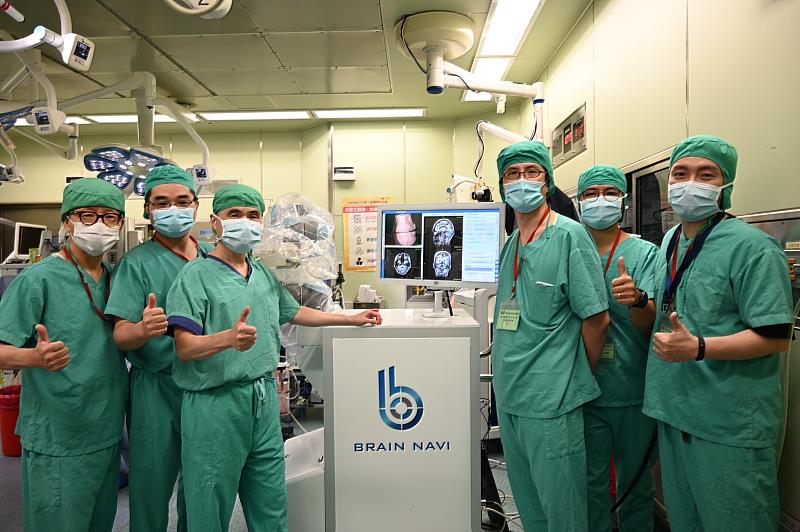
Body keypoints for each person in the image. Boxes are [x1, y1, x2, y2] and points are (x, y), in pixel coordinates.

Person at [165, 184, 382, 532]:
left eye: (253, 216)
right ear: (215, 221)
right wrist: (226, 339)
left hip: (263, 401)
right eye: (235, 214)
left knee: (270, 499)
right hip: (215, 405)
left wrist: (349, 318)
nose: (245, 221)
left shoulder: (262, 273)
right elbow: (185, 347)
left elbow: (294, 312)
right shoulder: (195, 277)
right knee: (209, 503)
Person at [643, 135, 794, 531]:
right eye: (680, 173)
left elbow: (777, 336)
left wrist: (699, 347)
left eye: (706, 174)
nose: (690, 182)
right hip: (676, 410)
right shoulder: (671, 241)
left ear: (725, 184)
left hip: (727, 422)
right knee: (685, 520)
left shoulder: (754, 248)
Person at [491, 140, 610, 531]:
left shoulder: (570, 236)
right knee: (530, 508)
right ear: (502, 185)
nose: (521, 180)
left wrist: (570, 376)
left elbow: (597, 319)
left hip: (551, 402)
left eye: (532, 172)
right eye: (512, 174)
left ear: (547, 182)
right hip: (511, 397)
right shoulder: (512, 243)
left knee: (563, 513)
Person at [0, 178, 128, 532]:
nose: (99, 224)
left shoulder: (115, 278)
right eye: (87, 215)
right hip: (58, 437)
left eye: (109, 216)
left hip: (105, 431)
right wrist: (33, 358)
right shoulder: (38, 279)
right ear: (67, 222)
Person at [105, 165, 211, 532]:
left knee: (201, 485)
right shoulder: (136, 264)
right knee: (151, 485)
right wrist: (143, 329)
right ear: (148, 209)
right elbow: (121, 336)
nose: (173, 209)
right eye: (162, 203)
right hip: (156, 389)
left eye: (182, 201)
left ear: (196, 205)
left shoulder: (212, 258)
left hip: (205, 386)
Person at [577, 165, 658, 532]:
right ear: (579, 202)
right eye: (590, 193)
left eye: (610, 192)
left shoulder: (643, 253)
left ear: (624, 201)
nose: (600, 200)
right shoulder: (568, 248)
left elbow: (649, 324)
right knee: (590, 485)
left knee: (636, 487)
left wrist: (637, 299)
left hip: (631, 388)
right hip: (583, 389)